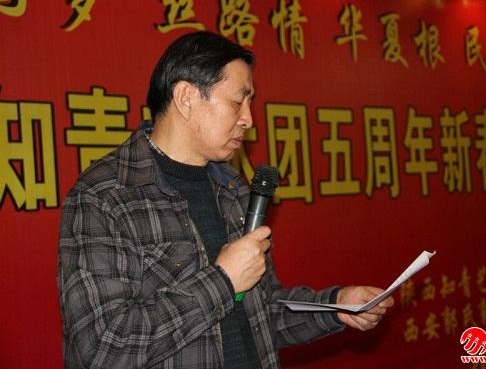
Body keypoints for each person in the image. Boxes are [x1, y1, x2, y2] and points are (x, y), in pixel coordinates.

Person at [58, 31, 394, 369]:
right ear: (186, 97)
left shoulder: (232, 188)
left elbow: (261, 312)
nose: (248, 119)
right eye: (238, 101)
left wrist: (335, 306)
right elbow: (103, 348)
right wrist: (222, 280)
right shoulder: (106, 197)